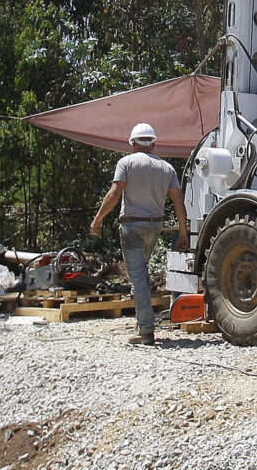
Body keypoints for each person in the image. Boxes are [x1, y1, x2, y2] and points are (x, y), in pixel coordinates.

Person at [90, 122, 189, 346]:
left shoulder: (126, 163)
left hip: (132, 226)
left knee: (137, 276)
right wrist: (183, 232)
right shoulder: (167, 168)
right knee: (141, 273)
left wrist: (98, 219)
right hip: (154, 227)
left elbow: (115, 193)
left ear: (132, 143)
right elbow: (178, 201)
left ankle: (146, 331)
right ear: (153, 144)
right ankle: (142, 323)